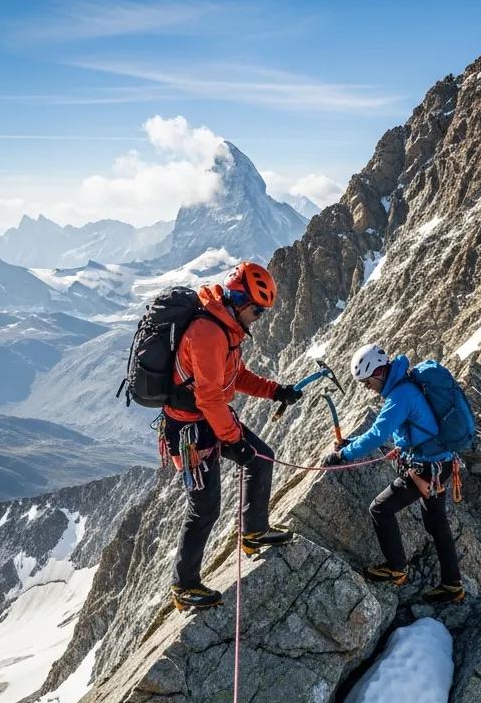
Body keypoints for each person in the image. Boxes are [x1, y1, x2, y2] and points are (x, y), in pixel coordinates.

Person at [164, 261, 302, 610]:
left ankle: (254, 531)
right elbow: (209, 397)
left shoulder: (227, 330)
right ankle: (185, 586)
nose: (260, 316)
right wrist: (234, 440)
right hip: (191, 432)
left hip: (210, 420)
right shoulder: (208, 333)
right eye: (258, 309)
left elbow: (236, 376)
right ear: (240, 301)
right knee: (205, 507)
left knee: (262, 459)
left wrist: (276, 391)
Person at [321, 343, 464, 604]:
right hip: (438, 464)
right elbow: (398, 432)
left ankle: (395, 568)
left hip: (426, 468)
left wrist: (343, 455)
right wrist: (350, 442)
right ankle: (452, 585)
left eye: (366, 382)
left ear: (376, 374)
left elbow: (378, 434)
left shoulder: (400, 396)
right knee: (436, 524)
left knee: (379, 509)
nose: (367, 388)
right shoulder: (405, 388)